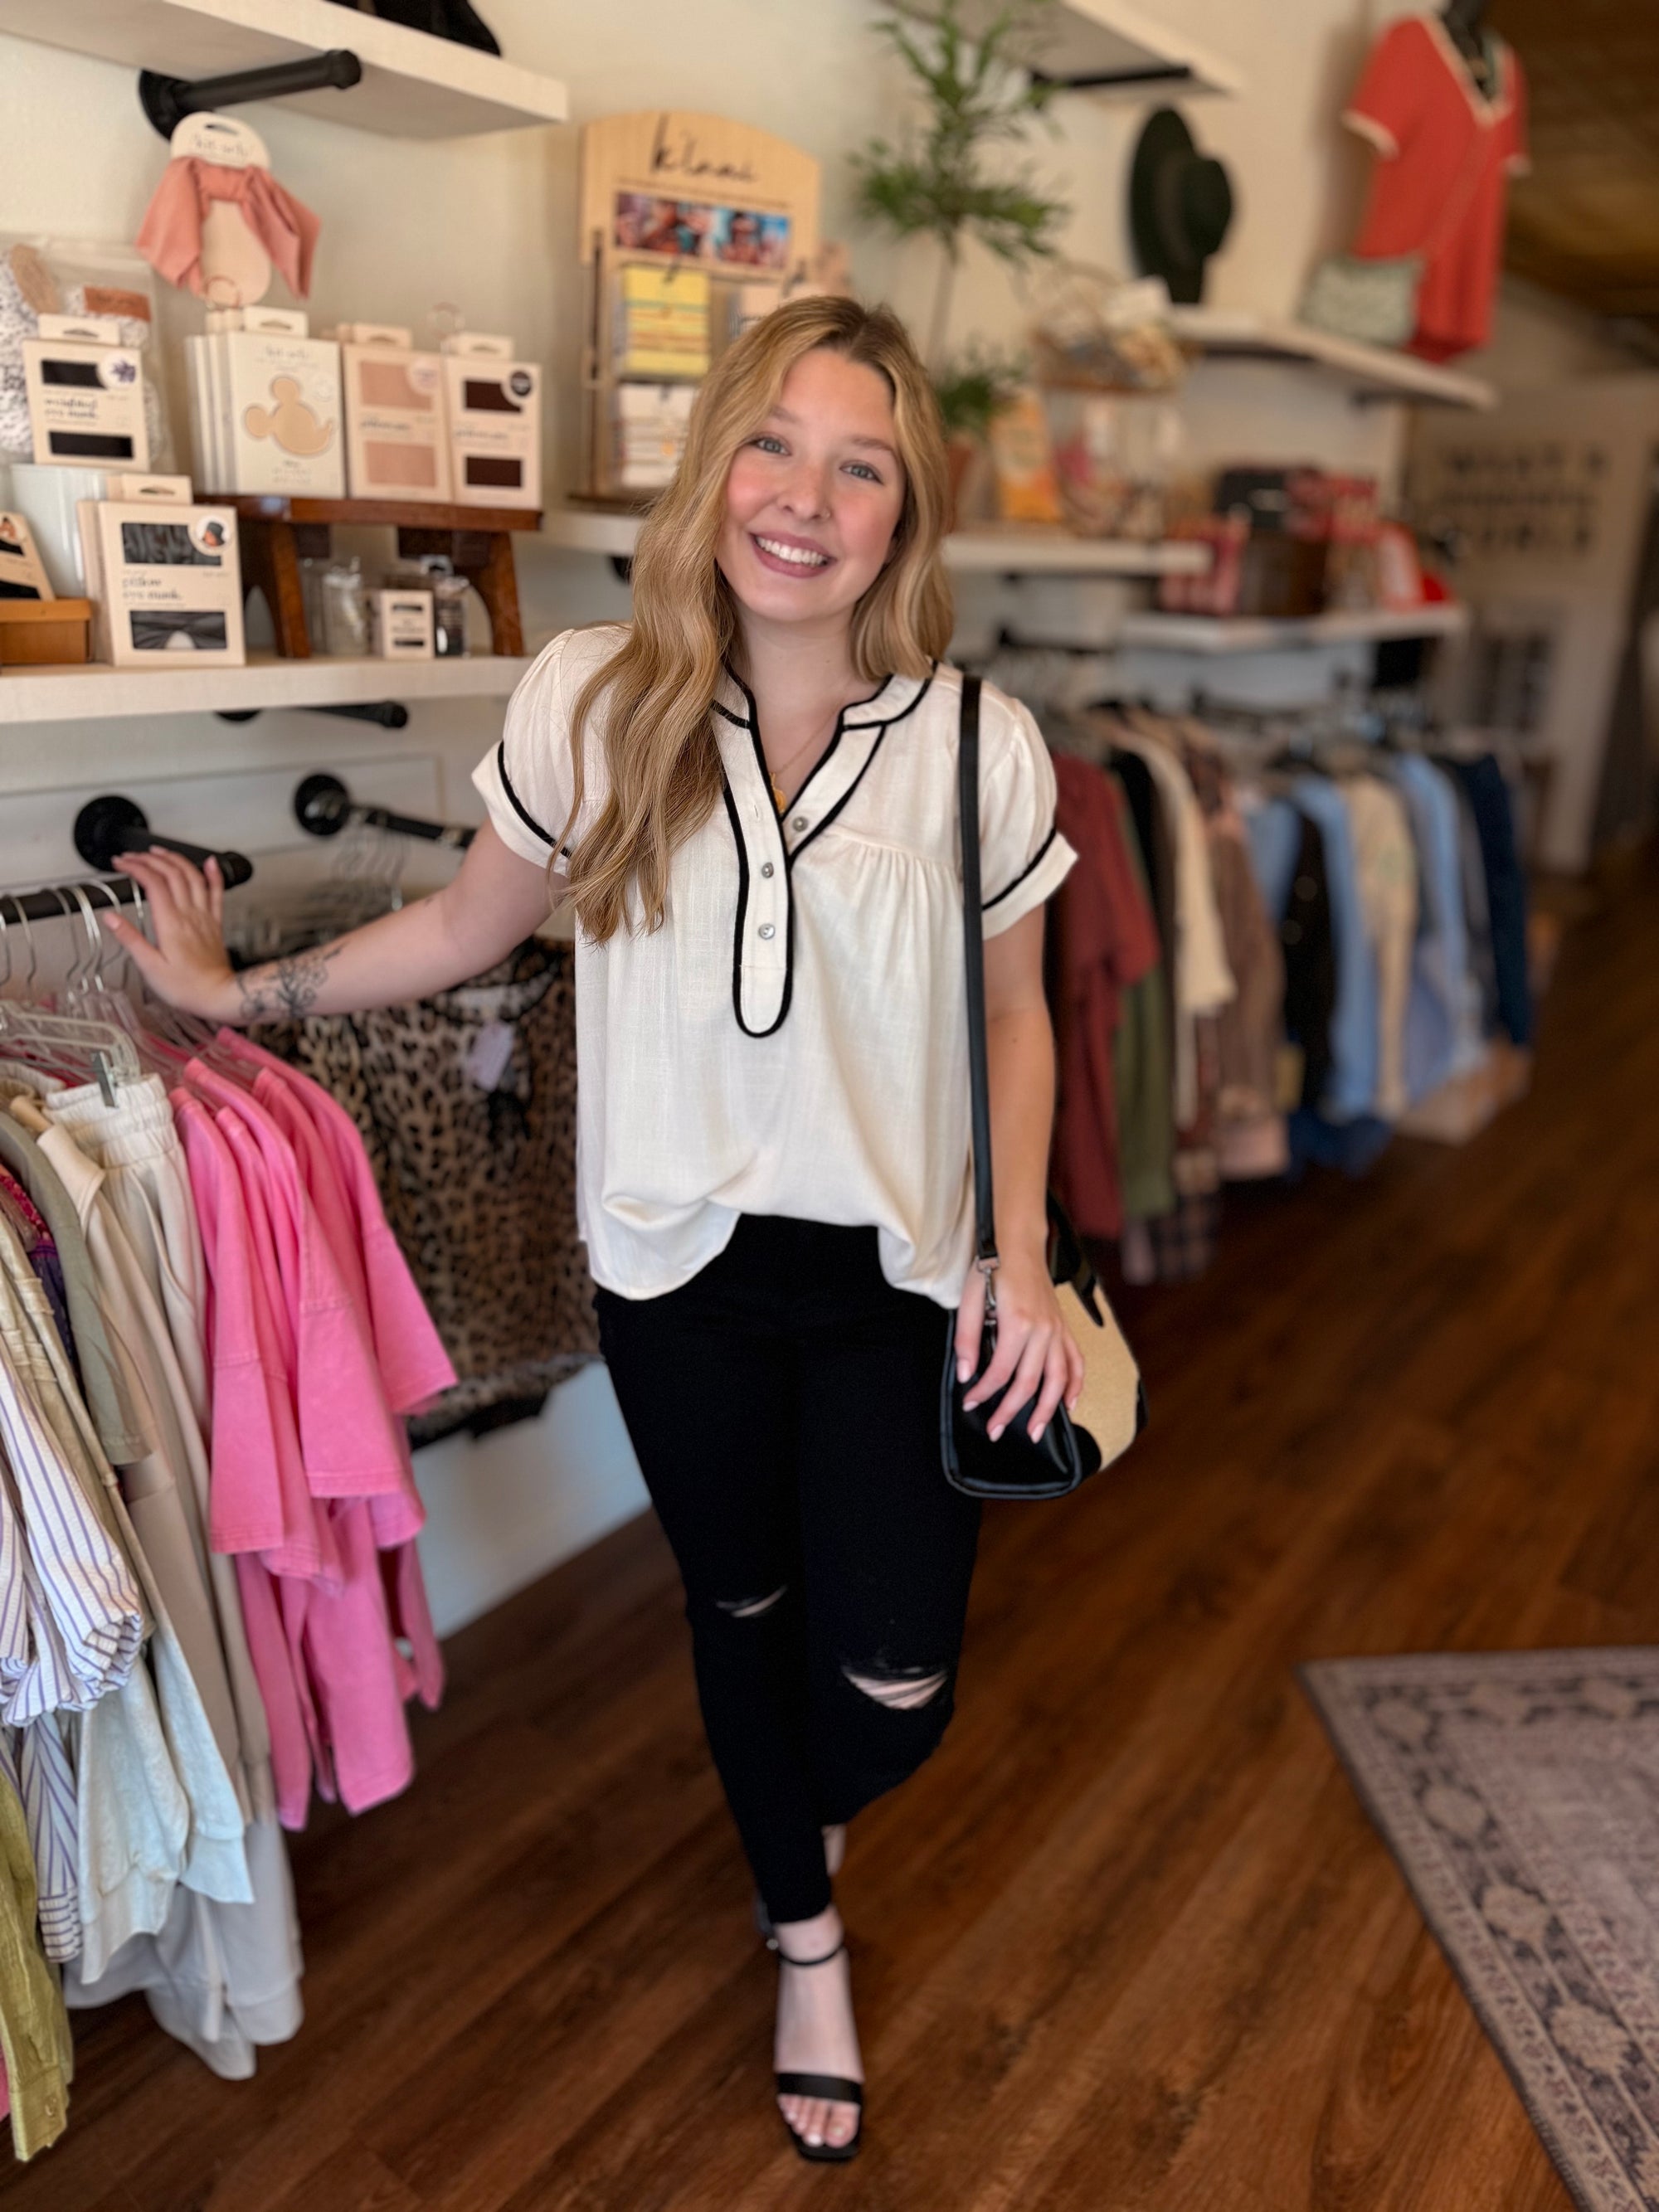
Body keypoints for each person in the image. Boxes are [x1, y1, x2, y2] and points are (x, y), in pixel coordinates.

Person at [103, 294, 1083, 2165]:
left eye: (858, 464)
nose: (805, 496)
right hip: (674, 1274)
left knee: (895, 1678)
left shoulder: (982, 746)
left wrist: (1017, 1252)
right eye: (774, 445)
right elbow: (469, 931)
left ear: (904, 514)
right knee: (740, 1607)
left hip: (899, 1277)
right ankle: (805, 1933)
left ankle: (803, 1810)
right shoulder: (589, 696)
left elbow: (1021, 1007)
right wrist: (247, 1002)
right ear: (716, 463)